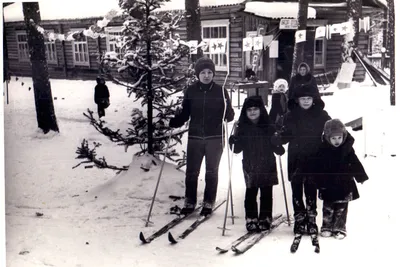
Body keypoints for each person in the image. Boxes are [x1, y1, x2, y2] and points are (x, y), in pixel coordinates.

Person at [169, 57, 235, 217]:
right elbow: (185, 113)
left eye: (209, 72)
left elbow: (229, 116)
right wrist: (176, 121)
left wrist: (229, 112)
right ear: (198, 74)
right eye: (203, 72)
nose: (206, 75)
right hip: (195, 138)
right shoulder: (191, 91)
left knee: (212, 171)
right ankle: (190, 201)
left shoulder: (221, 90)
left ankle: (208, 201)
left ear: (213, 74)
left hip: (215, 138)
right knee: (192, 171)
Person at [271, 83, 331, 236]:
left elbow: (331, 131)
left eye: (309, 98)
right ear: (297, 100)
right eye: (303, 98)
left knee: (311, 189)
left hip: (314, 158)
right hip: (296, 158)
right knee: (297, 189)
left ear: (314, 99)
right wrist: (279, 138)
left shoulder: (321, 115)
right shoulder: (290, 115)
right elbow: (286, 134)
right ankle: (299, 219)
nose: (306, 101)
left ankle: (311, 219)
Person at [229, 96, 285, 232]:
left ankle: (265, 218)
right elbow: (237, 149)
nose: (252, 112)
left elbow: (279, 150)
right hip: (250, 165)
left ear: (261, 110)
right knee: (250, 193)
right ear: (245, 112)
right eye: (249, 110)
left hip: (267, 164)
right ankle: (251, 218)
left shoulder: (269, 126)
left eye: (255, 109)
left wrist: (278, 143)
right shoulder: (242, 128)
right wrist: (233, 139)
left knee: (266, 193)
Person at [308, 119, 369, 239]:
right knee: (328, 207)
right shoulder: (322, 150)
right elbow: (317, 167)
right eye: (333, 138)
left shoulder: (347, 150)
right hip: (328, 184)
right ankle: (326, 227)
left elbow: (355, 163)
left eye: (339, 138)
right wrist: (316, 181)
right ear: (327, 138)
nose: (337, 141)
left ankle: (339, 228)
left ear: (344, 136)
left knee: (341, 208)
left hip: (344, 184)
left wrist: (360, 176)